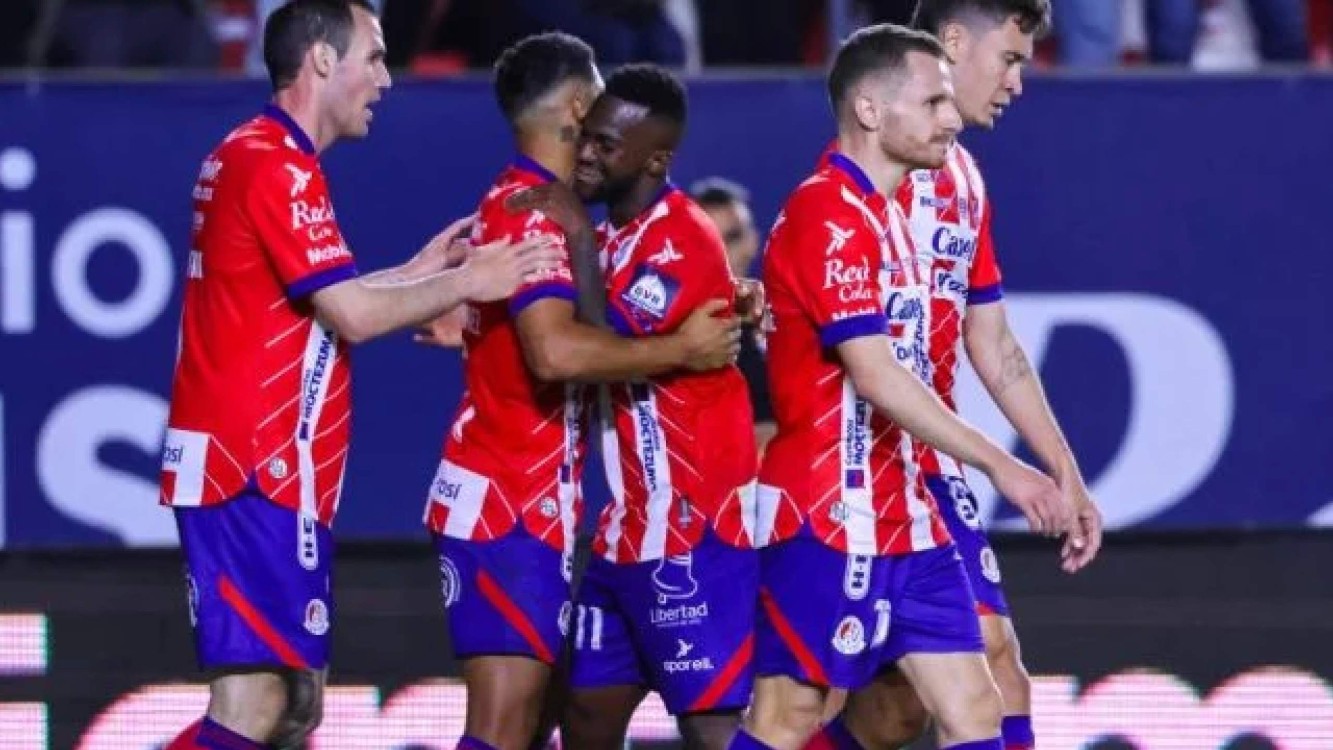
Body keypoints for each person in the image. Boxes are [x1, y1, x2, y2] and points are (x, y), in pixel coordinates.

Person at [157, 2, 561, 748]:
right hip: (251, 468)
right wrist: (472, 280)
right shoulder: (275, 164)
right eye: (373, 58)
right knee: (255, 701)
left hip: (263, 468)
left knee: (292, 705)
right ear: (321, 59)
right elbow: (354, 316)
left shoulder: (261, 155)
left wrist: (417, 271)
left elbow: (310, 305)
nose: (385, 79)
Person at [730, 24, 1072, 750]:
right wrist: (1002, 465)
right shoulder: (825, 211)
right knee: (788, 716)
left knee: (976, 706)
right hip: (826, 509)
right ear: (869, 110)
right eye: (932, 103)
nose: (952, 119)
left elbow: (977, 344)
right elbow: (877, 374)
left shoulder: (896, 217)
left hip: (909, 511)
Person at [421, 34, 742, 750]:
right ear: (576, 107)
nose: (599, 123)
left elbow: (591, 319)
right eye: (595, 103)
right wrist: (682, 348)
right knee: (508, 727)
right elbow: (558, 351)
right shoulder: (536, 210)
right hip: (508, 501)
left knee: (551, 721)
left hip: (627, 516)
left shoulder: (583, 220)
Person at [807, 3, 1105, 749]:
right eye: (1009, 59)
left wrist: (1064, 471)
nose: (1017, 82)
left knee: (905, 708)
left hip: (924, 462)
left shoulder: (962, 178)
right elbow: (862, 363)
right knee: (823, 699)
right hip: (851, 466)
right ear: (951, 44)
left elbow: (994, 345)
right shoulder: (868, 180)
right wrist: (1003, 466)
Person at [556, 64, 759, 750]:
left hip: (694, 527)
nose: (586, 154)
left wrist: (571, 229)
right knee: (585, 716)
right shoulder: (612, 236)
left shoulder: (681, 236)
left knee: (710, 727)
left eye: (606, 145)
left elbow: (599, 344)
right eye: (586, 137)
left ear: (654, 160)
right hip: (627, 525)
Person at [690, 177, 776, 451]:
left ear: (753, 241)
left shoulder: (788, 327)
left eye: (732, 238)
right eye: (708, 241)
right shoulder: (671, 342)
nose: (722, 254)